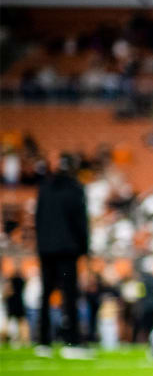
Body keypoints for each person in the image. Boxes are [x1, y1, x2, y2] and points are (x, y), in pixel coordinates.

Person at [35, 153, 90, 359]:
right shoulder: (75, 188)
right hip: (67, 250)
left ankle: (43, 341)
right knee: (69, 296)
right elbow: (80, 222)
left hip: (46, 250)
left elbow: (39, 219)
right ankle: (71, 341)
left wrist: (41, 246)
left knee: (45, 293)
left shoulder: (45, 188)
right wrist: (84, 248)